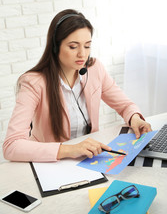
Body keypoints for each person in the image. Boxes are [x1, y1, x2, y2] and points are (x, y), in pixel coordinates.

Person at [3, 9, 151, 162]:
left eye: (87, 46)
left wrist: (134, 117)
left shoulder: (94, 69)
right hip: (50, 164)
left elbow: (124, 105)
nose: (82, 54)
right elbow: (11, 145)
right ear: (55, 47)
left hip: (89, 159)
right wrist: (70, 149)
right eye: (73, 47)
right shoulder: (33, 82)